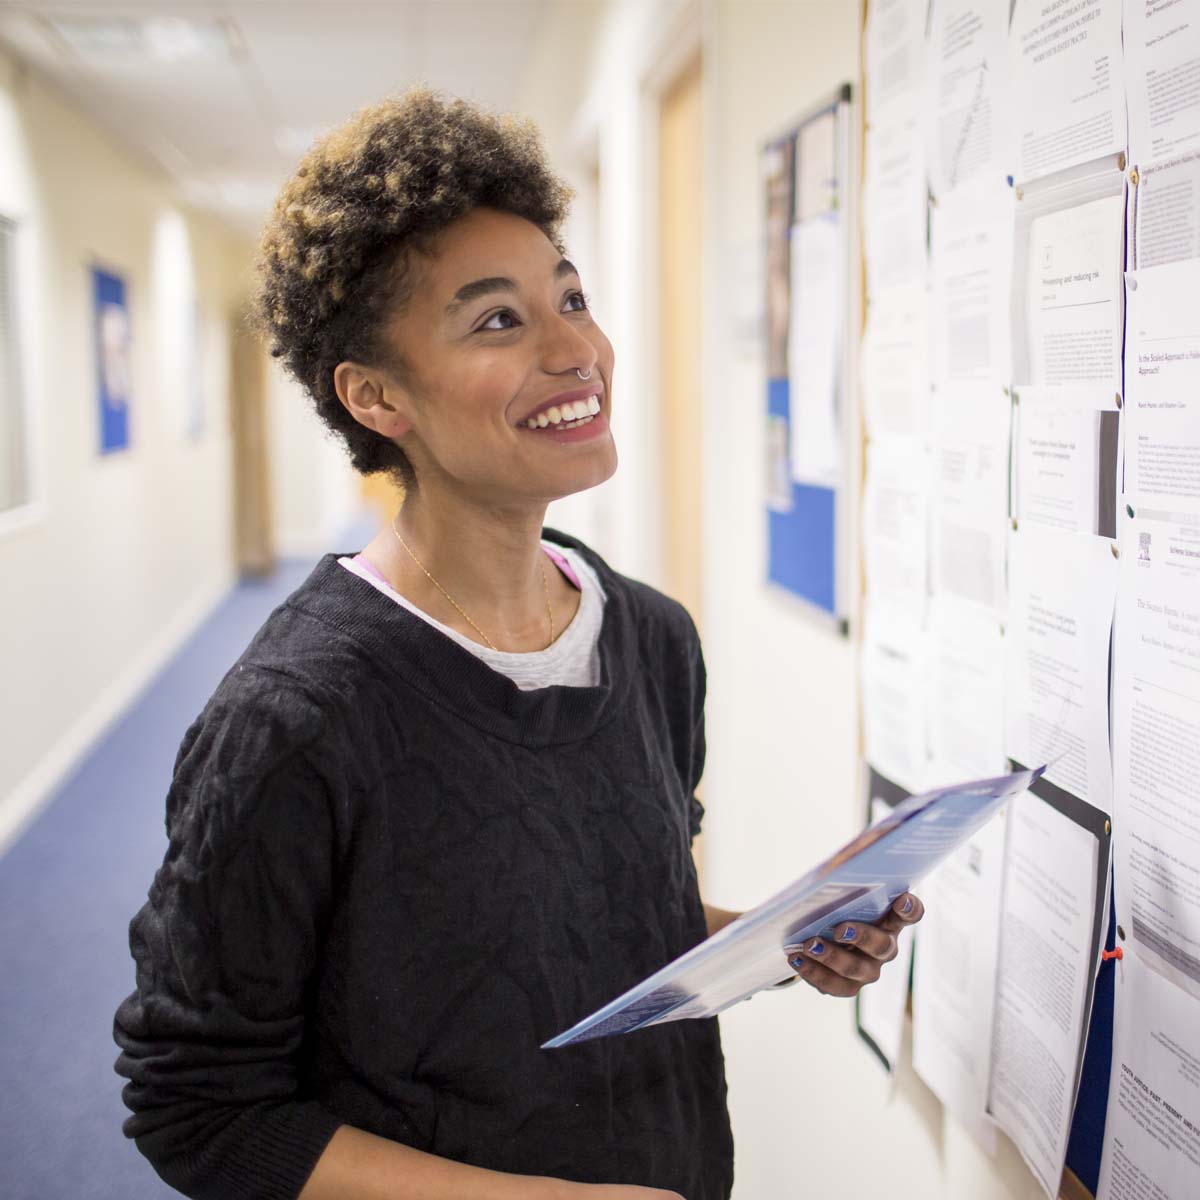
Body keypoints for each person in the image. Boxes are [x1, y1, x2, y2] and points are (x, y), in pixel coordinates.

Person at [113, 88, 924, 1200]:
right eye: (499, 320)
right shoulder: (296, 721)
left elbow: (600, 914)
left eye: (572, 297)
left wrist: (778, 940)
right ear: (376, 395)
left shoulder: (650, 636)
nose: (576, 349)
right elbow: (199, 1107)